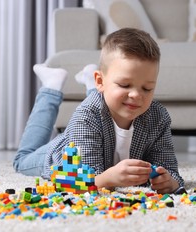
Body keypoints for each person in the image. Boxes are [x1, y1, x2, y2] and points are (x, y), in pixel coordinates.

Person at [13, 28, 184, 194]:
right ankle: (51, 87)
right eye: (125, 85)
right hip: (61, 155)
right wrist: (109, 179)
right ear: (100, 81)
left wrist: (168, 181)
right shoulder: (86, 116)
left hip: (100, 109)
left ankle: (90, 82)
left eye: (147, 88)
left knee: (110, 99)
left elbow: (170, 169)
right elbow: (79, 180)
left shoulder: (158, 116)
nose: (136, 95)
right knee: (21, 161)